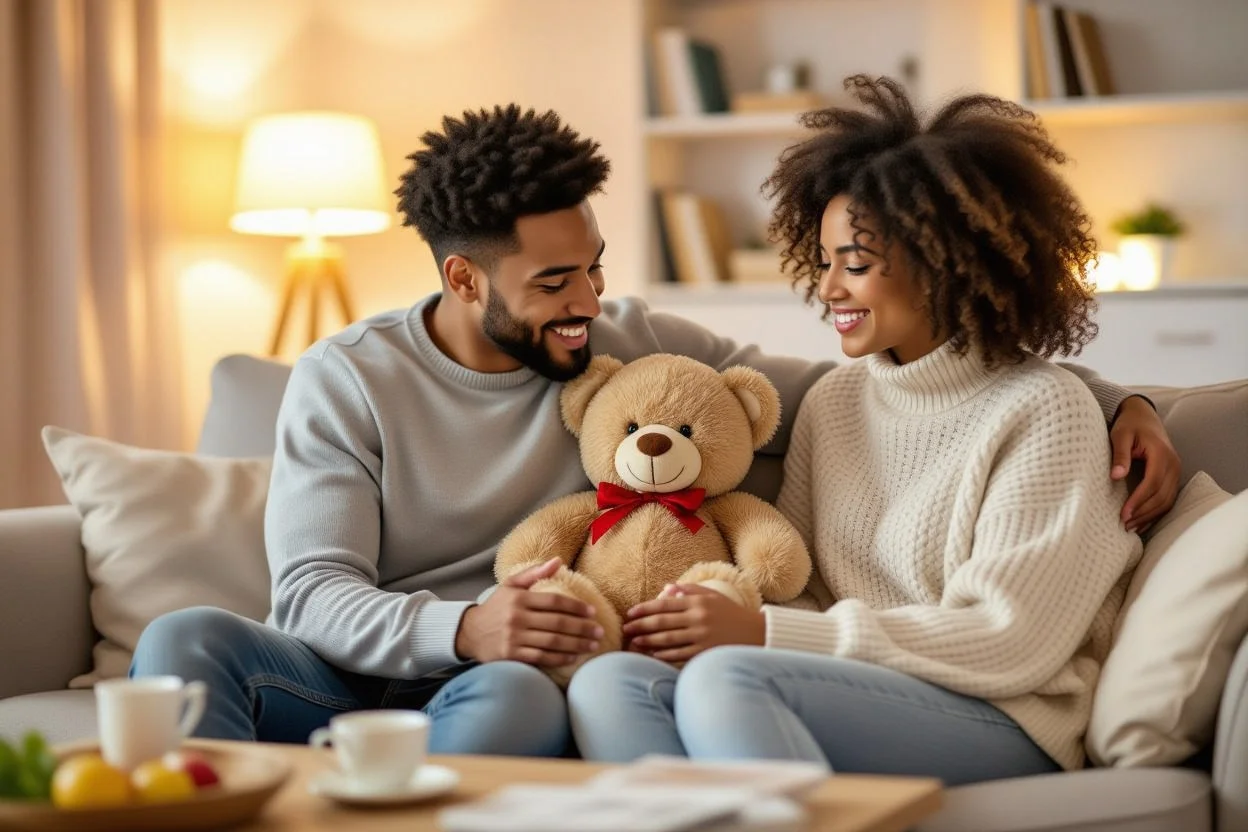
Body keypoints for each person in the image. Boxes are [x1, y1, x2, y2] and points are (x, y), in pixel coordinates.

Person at [131, 102, 1177, 757]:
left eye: (595, 268)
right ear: (462, 278)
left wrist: (1122, 399)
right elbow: (309, 592)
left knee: (558, 693)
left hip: (511, 681)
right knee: (181, 640)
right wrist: (460, 624)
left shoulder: (636, 341)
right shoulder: (347, 377)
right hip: (409, 653)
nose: (588, 303)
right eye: (554, 282)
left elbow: (937, 378)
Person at [567, 77, 1160, 784]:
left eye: (856, 265)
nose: (828, 290)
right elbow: (804, 588)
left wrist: (763, 635)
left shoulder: (1046, 411)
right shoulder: (836, 400)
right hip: (841, 687)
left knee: (728, 681)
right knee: (610, 684)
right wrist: (710, 612)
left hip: (1005, 713)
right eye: (823, 263)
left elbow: (1010, 641)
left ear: (948, 263)